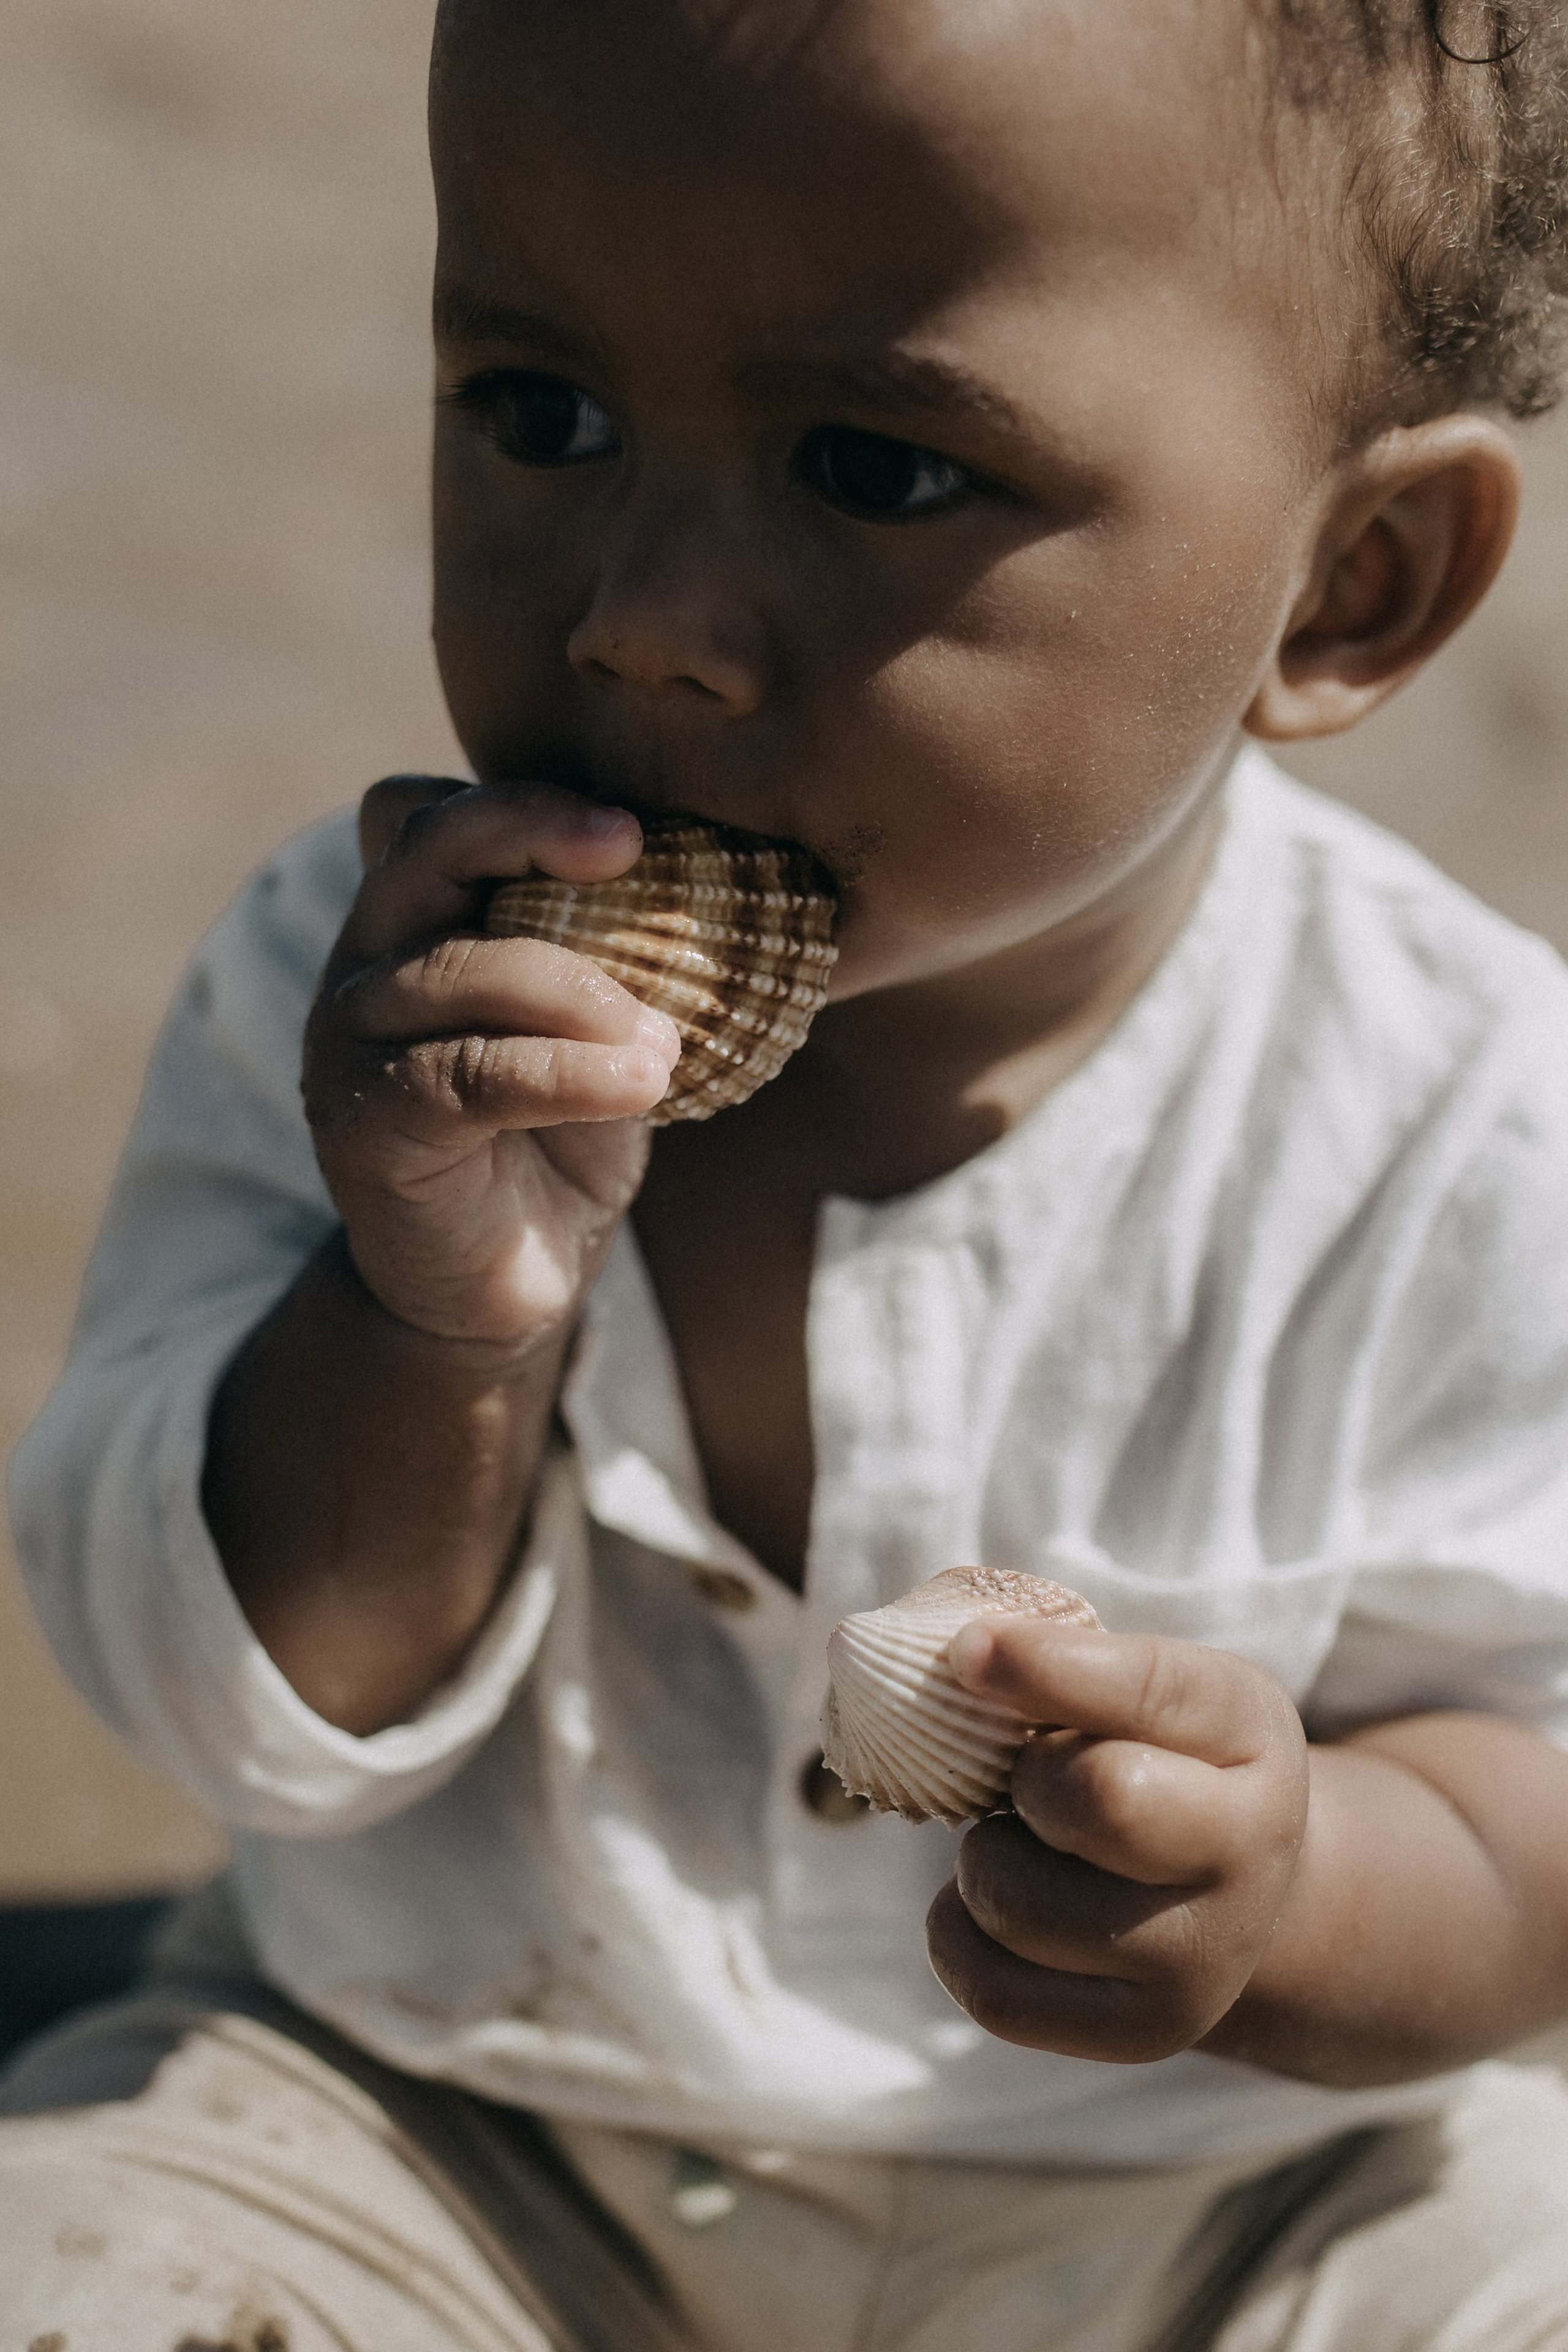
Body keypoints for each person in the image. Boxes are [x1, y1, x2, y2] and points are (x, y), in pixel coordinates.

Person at [9, 0, 1568, 2344]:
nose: (640, 618)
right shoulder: (350, 1007)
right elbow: (220, 1695)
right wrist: (424, 1316)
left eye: (871, 468)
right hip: (438, 2129)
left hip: (1226, 2202)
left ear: (1354, 581)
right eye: (542, 415)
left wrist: (1298, 1894)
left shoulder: (1469, 1129)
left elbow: (1541, 1801)